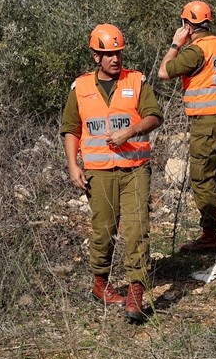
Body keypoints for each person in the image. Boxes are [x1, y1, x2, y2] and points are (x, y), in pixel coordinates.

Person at [62, 24, 163, 322]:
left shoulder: (137, 81)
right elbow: (71, 128)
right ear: (95, 56)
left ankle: (135, 291)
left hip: (135, 169)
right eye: (107, 54)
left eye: (117, 53)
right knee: (103, 230)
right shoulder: (79, 88)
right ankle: (100, 285)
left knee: (136, 228)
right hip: (99, 172)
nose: (114, 59)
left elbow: (155, 116)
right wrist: (73, 164)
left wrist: (131, 131)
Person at [157, 0, 216, 251]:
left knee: (202, 178)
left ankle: (209, 236)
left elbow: (164, 72)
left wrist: (176, 44)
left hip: (207, 121)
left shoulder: (195, 51)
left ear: (187, 24)